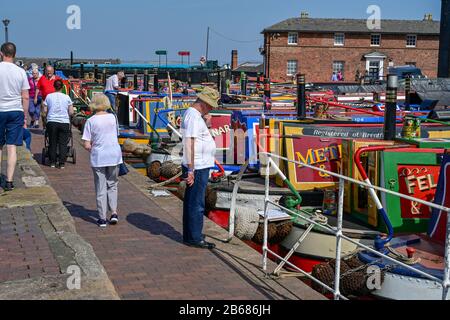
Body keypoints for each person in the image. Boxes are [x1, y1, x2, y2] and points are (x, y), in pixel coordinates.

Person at [181, 87, 220, 250]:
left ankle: (191, 234)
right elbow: (189, 143)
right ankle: (194, 237)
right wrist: (190, 170)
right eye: (211, 105)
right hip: (197, 166)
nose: (211, 108)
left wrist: (208, 123)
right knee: (196, 203)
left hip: (199, 164)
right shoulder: (192, 116)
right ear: (203, 103)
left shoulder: (196, 117)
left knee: (193, 201)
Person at [82, 94, 123, 228]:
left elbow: (87, 144)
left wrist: (93, 148)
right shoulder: (113, 117)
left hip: (99, 156)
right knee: (112, 184)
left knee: (100, 187)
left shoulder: (90, 121)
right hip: (114, 155)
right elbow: (115, 135)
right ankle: (114, 213)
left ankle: (102, 218)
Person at [0, 42, 30, 191]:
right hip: (15, 111)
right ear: (15, 54)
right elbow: (25, 97)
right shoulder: (21, 72)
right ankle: (9, 181)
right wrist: (25, 116)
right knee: (12, 147)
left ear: (1, 53)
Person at [42, 80, 74, 169]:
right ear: (62, 87)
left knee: (52, 142)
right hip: (64, 122)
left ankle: (52, 162)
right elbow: (71, 112)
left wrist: (46, 116)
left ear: (54, 86)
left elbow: (44, 111)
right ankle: (61, 163)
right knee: (63, 143)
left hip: (52, 121)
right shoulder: (67, 97)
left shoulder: (49, 96)